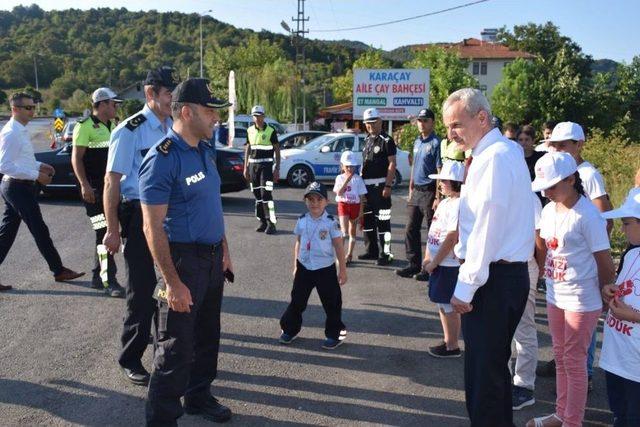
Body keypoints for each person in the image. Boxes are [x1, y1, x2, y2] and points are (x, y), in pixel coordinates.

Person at [139, 78, 234, 425]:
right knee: (175, 349)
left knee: (208, 337)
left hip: (211, 260)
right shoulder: (162, 159)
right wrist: (172, 282)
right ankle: (161, 419)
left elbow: (212, 206)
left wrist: (223, 248)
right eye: (211, 111)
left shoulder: (205, 150)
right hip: (181, 262)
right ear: (187, 111)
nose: (216, 119)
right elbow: (151, 228)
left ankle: (198, 397)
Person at [444, 88, 534, 427]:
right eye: (448, 127)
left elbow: (487, 226)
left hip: (492, 280)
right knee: (491, 373)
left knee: (484, 380)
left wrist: (466, 287)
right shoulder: (503, 150)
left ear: (482, 118)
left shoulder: (494, 157)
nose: (451, 134)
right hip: (505, 276)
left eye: (456, 125)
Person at [526, 152, 615, 427]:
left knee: (575, 362)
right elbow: (543, 245)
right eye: (544, 188)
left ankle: (572, 422)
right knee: (561, 357)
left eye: (553, 186)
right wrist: (542, 274)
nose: (548, 192)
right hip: (556, 294)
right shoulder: (550, 210)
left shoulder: (587, 215)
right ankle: (561, 414)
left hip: (581, 298)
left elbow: (605, 261)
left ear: (571, 179)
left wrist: (605, 295)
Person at [103, 66, 177, 385]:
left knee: (169, 286)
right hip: (138, 216)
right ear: (150, 94)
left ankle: (165, 349)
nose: (172, 100)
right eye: (167, 94)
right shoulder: (129, 130)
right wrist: (112, 228)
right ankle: (130, 357)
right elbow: (112, 181)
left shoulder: (173, 126)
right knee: (142, 289)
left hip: (170, 215)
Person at [542, 121, 613, 388]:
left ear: (579, 144)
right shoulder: (554, 173)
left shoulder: (588, 174)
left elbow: (603, 217)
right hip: (561, 276)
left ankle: (586, 378)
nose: (558, 149)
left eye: (563, 145)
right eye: (554, 145)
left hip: (582, 273)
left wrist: (586, 250)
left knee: (577, 353)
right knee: (565, 354)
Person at [0, 92, 84, 292]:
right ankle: (58, 270)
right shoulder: (11, 132)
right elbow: (4, 165)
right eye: (28, 108)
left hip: (17, 186)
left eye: (33, 107)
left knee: (7, 233)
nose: (32, 111)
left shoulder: (20, 130)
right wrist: (36, 175)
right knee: (39, 230)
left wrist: (40, 164)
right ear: (15, 109)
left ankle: (58, 270)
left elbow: (21, 159)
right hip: (16, 187)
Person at [279, 181, 347, 349]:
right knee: (297, 301)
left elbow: (338, 246)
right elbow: (299, 242)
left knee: (332, 303)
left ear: (326, 202)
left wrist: (342, 270)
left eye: (319, 199)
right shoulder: (302, 220)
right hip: (304, 267)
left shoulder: (331, 222)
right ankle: (289, 330)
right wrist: (296, 265)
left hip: (325, 268)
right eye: (310, 199)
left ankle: (334, 334)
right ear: (305, 201)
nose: (314, 203)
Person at [72, 87, 123, 297]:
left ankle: (97, 276)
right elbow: (76, 158)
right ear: (102, 104)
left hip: (108, 189)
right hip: (93, 189)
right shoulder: (85, 126)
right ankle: (107, 280)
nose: (116, 107)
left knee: (103, 232)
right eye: (113, 104)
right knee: (103, 231)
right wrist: (84, 185)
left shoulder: (113, 125)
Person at [600, 188, 640, 427]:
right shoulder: (632, 252)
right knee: (620, 414)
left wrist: (633, 315)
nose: (622, 229)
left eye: (627, 223)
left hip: (636, 362)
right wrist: (611, 289)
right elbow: (626, 284)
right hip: (617, 355)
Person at [421, 161, 464, 358]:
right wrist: (427, 257)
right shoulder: (445, 203)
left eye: (444, 181)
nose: (441, 184)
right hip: (437, 263)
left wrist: (435, 262)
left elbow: (451, 236)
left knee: (448, 306)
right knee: (441, 303)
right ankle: (447, 341)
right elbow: (433, 232)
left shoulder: (459, 204)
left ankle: (452, 345)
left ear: (455, 182)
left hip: (449, 264)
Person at [396, 108, 442, 280]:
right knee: (410, 229)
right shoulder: (417, 142)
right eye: (419, 121)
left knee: (432, 232)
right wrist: (410, 187)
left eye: (425, 120)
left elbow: (439, 170)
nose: (421, 123)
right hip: (416, 191)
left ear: (433, 122)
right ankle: (413, 264)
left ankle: (429, 269)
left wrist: (438, 196)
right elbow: (415, 166)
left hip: (430, 191)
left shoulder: (437, 143)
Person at [511, 192, 545, 411]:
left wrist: (538, 270)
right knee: (499, 330)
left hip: (523, 266)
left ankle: (524, 386)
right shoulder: (486, 188)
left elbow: (539, 238)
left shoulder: (528, 196)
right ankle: (503, 381)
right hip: (494, 269)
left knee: (523, 327)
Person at [358, 107, 397, 266]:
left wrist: (388, 185)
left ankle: (386, 254)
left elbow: (392, 163)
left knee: (383, 223)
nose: (370, 126)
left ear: (380, 121)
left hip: (380, 187)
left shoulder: (386, 140)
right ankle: (371, 250)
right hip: (366, 190)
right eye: (368, 123)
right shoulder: (367, 140)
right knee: (367, 222)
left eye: (373, 122)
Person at [243, 105, 280, 235]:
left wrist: (277, 168)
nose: (257, 118)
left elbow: (277, 149)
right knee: (257, 195)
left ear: (264, 116)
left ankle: (271, 223)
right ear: (252, 117)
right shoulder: (249, 130)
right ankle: (262, 221)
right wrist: (245, 167)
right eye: (255, 116)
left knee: (266, 194)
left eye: (260, 115)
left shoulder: (271, 130)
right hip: (253, 167)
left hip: (267, 167)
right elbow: (248, 147)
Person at [333, 151, 367, 265]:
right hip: (343, 204)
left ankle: (350, 254)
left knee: (352, 232)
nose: (349, 168)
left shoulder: (358, 179)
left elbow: (362, 196)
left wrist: (361, 211)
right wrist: (347, 180)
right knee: (343, 232)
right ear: (342, 166)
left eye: (352, 166)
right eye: (347, 166)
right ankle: (341, 256)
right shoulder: (339, 178)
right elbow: (339, 193)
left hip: (355, 206)